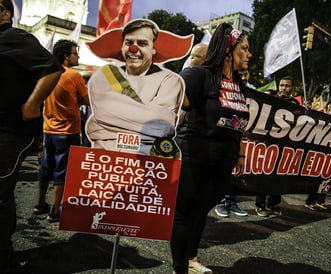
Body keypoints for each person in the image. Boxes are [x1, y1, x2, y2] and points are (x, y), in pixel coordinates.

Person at [171, 23, 251, 274]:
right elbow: (172, 99)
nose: (249, 55)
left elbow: (238, 123)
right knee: (184, 215)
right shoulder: (199, 75)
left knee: (201, 213)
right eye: (245, 49)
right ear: (229, 50)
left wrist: (238, 153)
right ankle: (179, 269)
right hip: (194, 158)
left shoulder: (239, 85)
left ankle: (192, 260)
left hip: (222, 162)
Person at [0, 0, 63, 271]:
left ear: (5, 12)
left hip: (10, 132)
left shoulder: (14, 36)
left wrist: (32, 104)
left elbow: (52, 69)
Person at [85, 19, 189, 157]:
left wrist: (106, 128)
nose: (134, 48)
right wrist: (145, 129)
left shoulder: (170, 80)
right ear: (122, 47)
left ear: (153, 49)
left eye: (142, 43)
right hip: (105, 163)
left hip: (146, 164)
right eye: (129, 43)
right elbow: (103, 114)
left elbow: (162, 126)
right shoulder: (102, 77)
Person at [33, 39, 89, 223]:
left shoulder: (47, 72)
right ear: (66, 56)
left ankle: (40, 203)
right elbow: (87, 100)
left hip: (48, 129)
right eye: (75, 52)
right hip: (67, 131)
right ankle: (55, 210)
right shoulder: (74, 76)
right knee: (62, 170)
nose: (78, 55)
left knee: (45, 167)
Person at [255, 76, 298, 217]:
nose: (283, 88)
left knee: (280, 177)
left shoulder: (295, 105)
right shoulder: (270, 100)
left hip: (285, 147)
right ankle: (260, 205)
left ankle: (272, 204)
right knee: (264, 174)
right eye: (281, 85)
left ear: (292, 88)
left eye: (287, 86)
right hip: (268, 145)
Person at [214, 70, 253, 218]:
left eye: (245, 74)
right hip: (223, 136)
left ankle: (232, 202)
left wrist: (241, 154)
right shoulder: (223, 87)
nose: (243, 77)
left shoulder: (251, 92)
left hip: (240, 137)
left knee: (235, 173)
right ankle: (220, 202)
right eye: (240, 74)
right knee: (221, 173)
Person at [305, 100, 331, 210]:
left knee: (326, 180)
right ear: (326, 110)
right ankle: (310, 201)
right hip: (318, 155)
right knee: (315, 180)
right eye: (330, 110)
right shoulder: (320, 120)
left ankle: (321, 200)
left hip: (330, 156)